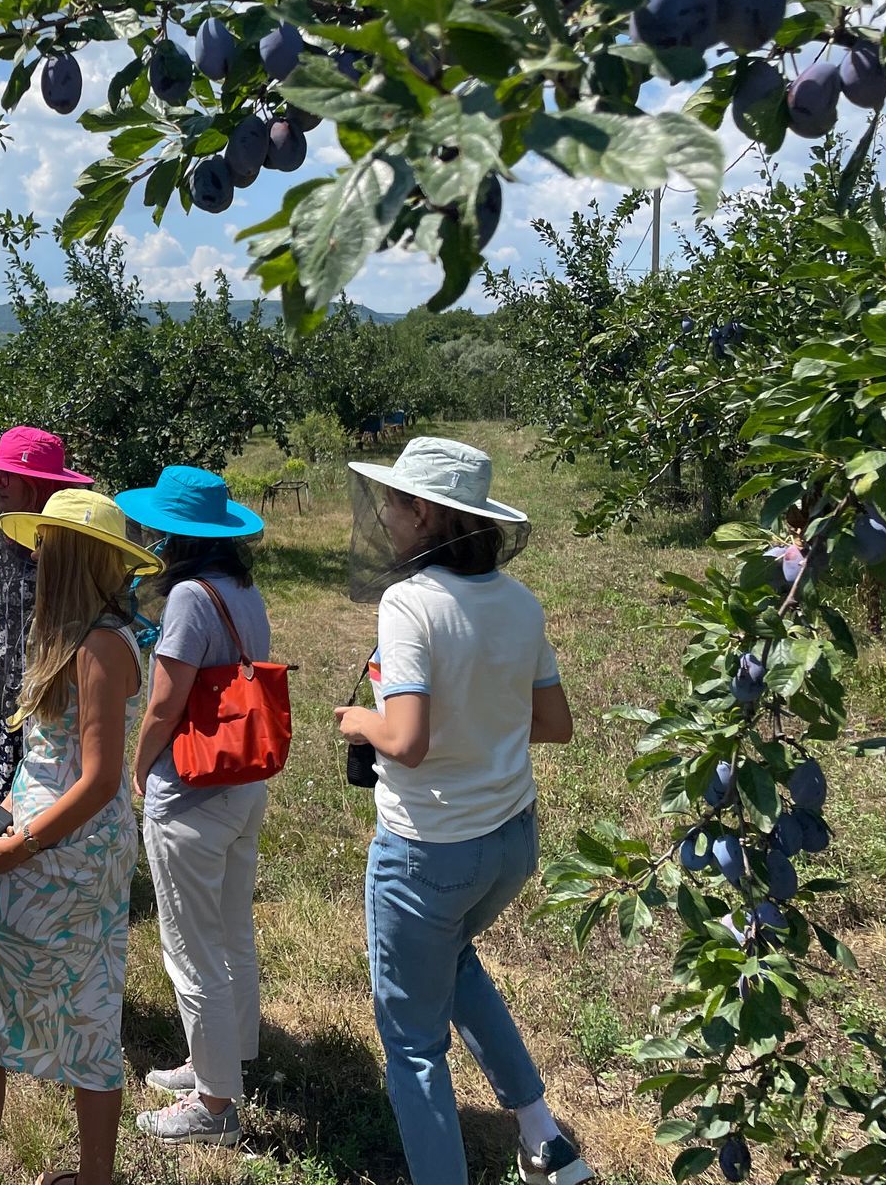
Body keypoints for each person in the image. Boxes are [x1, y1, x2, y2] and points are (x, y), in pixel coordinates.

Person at [333, 438, 592, 1185]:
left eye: (393, 501)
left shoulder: (410, 601)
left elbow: (405, 741)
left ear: (424, 513)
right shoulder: (519, 600)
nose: (383, 513)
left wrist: (359, 723)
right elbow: (553, 723)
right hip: (510, 842)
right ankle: (543, 1135)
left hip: (428, 854)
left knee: (413, 1044)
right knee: (454, 960)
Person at [0, 488, 159, 1185]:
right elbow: (49, 762)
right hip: (54, 835)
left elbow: (101, 778)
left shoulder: (100, 642)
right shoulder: (78, 631)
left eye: (47, 548)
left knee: (0, 988)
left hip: (60, 847)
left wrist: (20, 844)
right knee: (78, 1001)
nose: (34, 558)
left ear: (72, 559)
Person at [117, 465, 270, 1149]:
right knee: (232, 929)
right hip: (243, 780)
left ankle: (214, 1106)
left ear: (170, 531)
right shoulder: (242, 587)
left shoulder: (186, 597)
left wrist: (138, 765)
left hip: (192, 789)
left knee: (190, 949)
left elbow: (164, 702)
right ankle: (226, 1061)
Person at [0, 426, 92, 839]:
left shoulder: (65, 544)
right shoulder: (0, 533)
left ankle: (26, 839)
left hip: (39, 681)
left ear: (38, 485)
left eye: (6, 476)